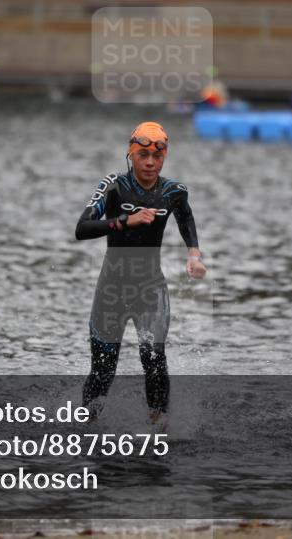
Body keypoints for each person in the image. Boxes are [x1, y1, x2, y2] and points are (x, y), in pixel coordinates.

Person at [75, 121, 206, 426]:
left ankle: (158, 429)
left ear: (164, 157)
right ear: (131, 154)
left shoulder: (174, 191)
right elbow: (82, 228)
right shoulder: (113, 186)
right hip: (112, 290)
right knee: (103, 369)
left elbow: (186, 219)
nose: (149, 163)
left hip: (150, 290)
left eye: (157, 157)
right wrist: (124, 221)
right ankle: (84, 428)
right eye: (143, 155)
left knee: (154, 359)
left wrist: (194, 255)